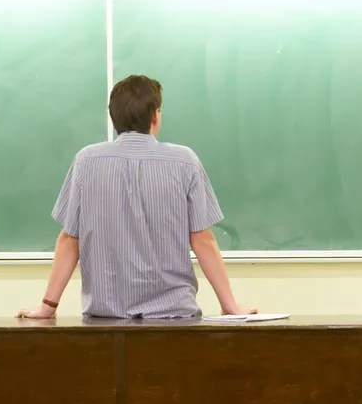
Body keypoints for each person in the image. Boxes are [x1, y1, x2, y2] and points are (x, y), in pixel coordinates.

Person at [19, 75, 254, 320]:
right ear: (155, 116)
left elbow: (69, 240)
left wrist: (48, 306)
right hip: (174, 317)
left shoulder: (87, 161)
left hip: (105, 320)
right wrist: (230, 305)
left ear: (113, 118)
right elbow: (202, 239)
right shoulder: (185, 161)